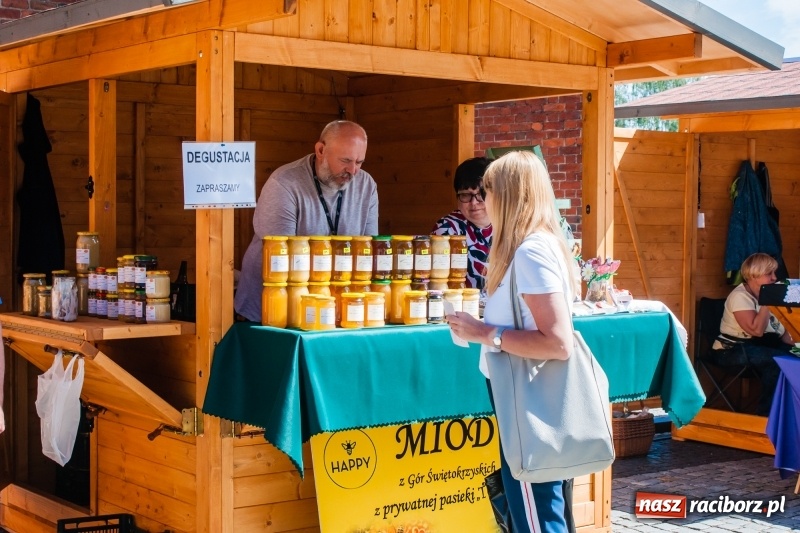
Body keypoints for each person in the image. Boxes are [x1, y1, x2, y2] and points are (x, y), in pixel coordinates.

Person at [447, 151, 578, 533]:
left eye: (487, 191)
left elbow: (557, 342)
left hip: (526, 392)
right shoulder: (536, 244)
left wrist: (483, 332)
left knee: (535, 512)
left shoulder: (531, 251)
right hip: (523, 391)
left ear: (508, 195)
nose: (481, 202)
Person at [234, 120, 379, 322]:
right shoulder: (284, 183)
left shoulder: (366, 185)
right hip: (270, 309)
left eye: (359, 162)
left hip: (332, 307)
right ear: (320, 150)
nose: (353, 170)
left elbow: (367, 249)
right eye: (345, 160)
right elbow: (282, 256)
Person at [712, 252, 794, 415]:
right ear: (753, 276)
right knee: (777, 362)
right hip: (731, 350)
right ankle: (766, 416)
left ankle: (789, 416)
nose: (774, 278)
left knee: (793, 359)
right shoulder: (740, 296)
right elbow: (756, 330)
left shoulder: (768, 294)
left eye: (774, 273)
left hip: (764, 346)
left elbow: (784, 335)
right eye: (768, 273)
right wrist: (767, 301)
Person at [431, 157, 492, 290]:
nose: (474, 202)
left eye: (481, 193)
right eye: (466, 195)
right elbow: (438, 286)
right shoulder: (447, 229)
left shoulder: (512, 226)